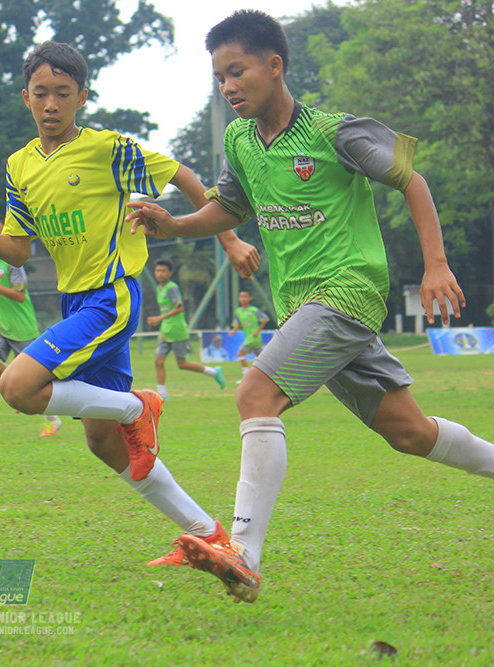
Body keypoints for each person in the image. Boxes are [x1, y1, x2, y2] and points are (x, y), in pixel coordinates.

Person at [125, 10, 494, 603]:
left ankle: (242, 554)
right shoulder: (240, 140)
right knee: (410, 432)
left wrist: (437, 265)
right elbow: (230, 208)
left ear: (275, 66)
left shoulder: (334, 132)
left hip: (349, 290)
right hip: (301, 304)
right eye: (219, 77)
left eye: (237, 71)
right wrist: (173, 225)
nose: (228, 87)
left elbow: (413, 181)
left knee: (254, 394)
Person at [0, 41, 260, 563]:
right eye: (41, 93)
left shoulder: (108, 148)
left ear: (81, 97)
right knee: (103, 442)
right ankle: (208, 535)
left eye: (62, 94)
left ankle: (140, 405)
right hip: (75, 305)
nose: (51, 104)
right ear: (25, 98)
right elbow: (20, 248)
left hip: (111, 297)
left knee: (18, 388)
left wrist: (227, 239)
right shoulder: (19, 166)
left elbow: (180, 173)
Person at [0, 214, 63, 437]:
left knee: (40, 379)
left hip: (22, 328)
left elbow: (19, 295)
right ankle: (14, 386)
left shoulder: (13, 263)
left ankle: (52, 418)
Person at [148, 259, 225, 400]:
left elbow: (179, 308)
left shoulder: (172, 287)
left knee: (182, 364)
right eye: (158, 270)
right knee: (158, 361)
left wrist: (159, 318)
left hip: (177, 331)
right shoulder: (160, 289)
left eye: (163, 271)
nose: (159, 274)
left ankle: (214, 372)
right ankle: (162, 395)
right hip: (165, 331)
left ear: (170, 273)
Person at [227, 287, 269, 381]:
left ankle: (246, 376)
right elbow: (237, 324)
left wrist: (257, 331)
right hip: (250, 337)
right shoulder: (238, 311)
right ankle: (266, 377)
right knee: (261, 358)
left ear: (250, 298)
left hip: (254, 337)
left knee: (240, 353)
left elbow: (265, 319)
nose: (243, 299)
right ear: (239, 299)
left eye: (245, 297)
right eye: (241, 297)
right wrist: (233, 331)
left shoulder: (254, 310)